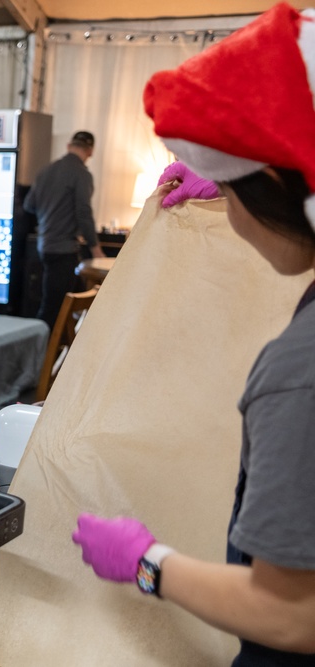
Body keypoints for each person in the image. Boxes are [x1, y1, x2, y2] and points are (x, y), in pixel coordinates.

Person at [72, 4, 315, 663]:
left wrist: (148, 562)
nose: (232, 218)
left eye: (236, 196)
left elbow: (293, 613)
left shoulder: (300, 368)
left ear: (272, 186)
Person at [23, 130, 105, 328]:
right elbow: (83, 213)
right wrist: (95, 248)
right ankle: (42, 354)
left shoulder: (46, 171)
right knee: (55, 307)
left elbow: (29, 205)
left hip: (44, 246)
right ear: (91, 151)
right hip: (63, 249)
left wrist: (48, 215)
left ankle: (59, 349)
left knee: (63, 303)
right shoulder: (82, 174)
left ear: (69, 146)